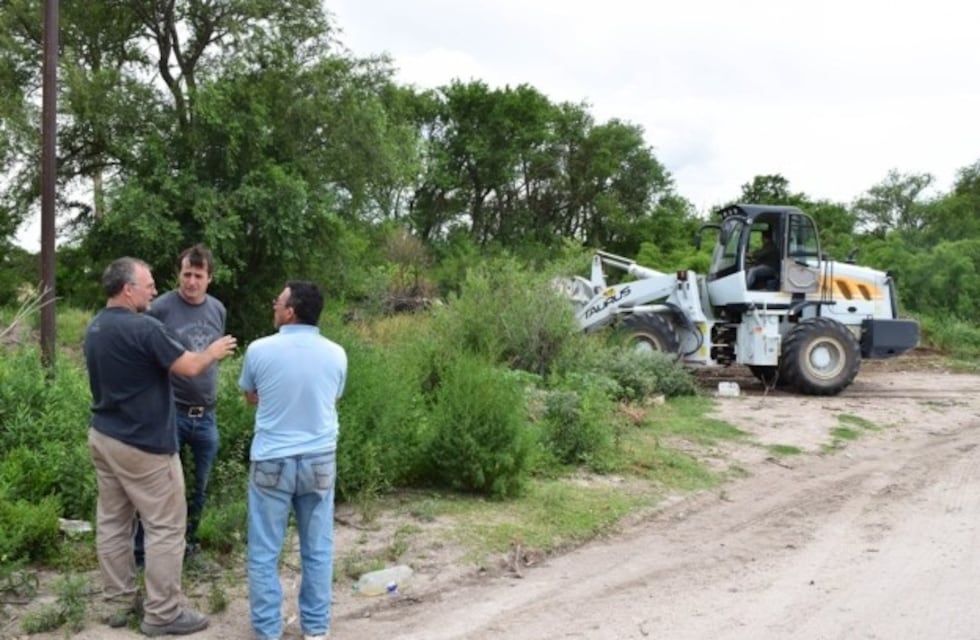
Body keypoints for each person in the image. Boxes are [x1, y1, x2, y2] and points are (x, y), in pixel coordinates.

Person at [84, 257, 237, 636]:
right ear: (127, 289)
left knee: (114, 523)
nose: (155, 290)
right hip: (145, 443)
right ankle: (164, 613)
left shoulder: (96, 327)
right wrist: (213, 352)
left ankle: (118, 602)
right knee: (167, 526)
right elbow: (188, 367)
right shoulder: (145, 328)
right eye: (148, 284)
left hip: (105, 436)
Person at [238, 281, 347, 640]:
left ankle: (268, 630)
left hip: (272, 459)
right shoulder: (337, 353)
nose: (274, 305)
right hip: (319, 459)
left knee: (265, 550)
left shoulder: (259, 350)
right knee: (317, 548)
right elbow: (332, 398)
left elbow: (252, 396)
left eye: (278, 301)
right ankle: (315, 628)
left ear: (291, 311)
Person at [135, 245, 227, 564]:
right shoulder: (159, 308)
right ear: (179, 274)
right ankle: (143, 550)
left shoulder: (217, 309)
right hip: (169, 412)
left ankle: (189, 545)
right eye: (186, 274)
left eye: (198, 276)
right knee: (159, 486)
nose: (190, 282)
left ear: (209, 278)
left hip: (206, 416)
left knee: (198, 486)